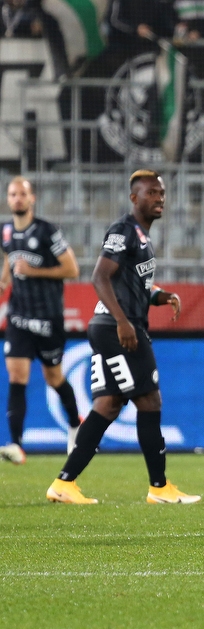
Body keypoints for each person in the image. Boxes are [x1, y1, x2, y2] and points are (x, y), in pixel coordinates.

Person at [45, 170, 199, 506]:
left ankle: (64, 483)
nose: (159, 198)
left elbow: (131, 284)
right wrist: (122, 322)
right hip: (118, 330)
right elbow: (100, 277)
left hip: (112, 327)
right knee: (150, 401)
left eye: (161, 193)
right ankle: (159, 488)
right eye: (151, 193)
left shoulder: (143, 236)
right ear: (134, 198)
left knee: (108, 404)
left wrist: (159, 296)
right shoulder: (124, 229)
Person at [0, 177, 82, 465]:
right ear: (8, 199)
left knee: (53, 377)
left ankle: (75, 423)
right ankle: (17, 445)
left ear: (32, 198)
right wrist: (6, 275)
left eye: (23, 193)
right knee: (16, 376)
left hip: (48, 318)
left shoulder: (47, 231)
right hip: (19, 317)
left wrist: (32, 272)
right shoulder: (6, 231)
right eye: (13, 194)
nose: (18, 198)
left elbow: (72, 269)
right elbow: (9, 257)